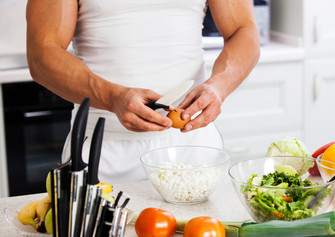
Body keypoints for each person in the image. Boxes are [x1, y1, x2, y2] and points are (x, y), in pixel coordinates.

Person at [26, 0, 260, 184]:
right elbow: (42, 54)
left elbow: (243, 30)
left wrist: (219, 86)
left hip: (193, 147)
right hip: (102, 150)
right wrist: (112, 97)